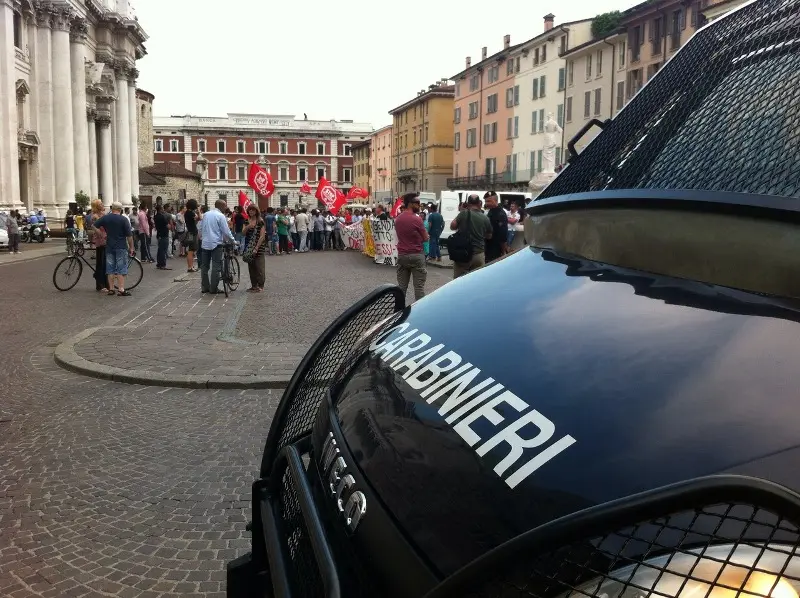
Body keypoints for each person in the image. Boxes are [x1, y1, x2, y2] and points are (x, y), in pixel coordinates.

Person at [92, 201, 134, 296]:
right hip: (121, 246)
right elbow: (129, 235)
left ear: (112, 208)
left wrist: (100, 233)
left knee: (110, 268)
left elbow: (93, 225)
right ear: (120, 209)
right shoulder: (123, 219)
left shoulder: (106, 218)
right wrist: (131, 247)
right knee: (121, 268)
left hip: (109, 246)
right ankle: (121, 289)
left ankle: (111, 289)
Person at [394, 192, 429, 302]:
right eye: (417, 203)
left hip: (402, 255)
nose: (419, 205)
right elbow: (425, 238)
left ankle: (398, 312)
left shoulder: (398, 219)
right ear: (410, 204)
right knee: (419, 287)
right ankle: (421, 312)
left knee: (402, 288)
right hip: (416, 254)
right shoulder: (417, 219)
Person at [450, 194, 492, 279]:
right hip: (478, 254)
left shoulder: (463, 214)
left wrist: (462, 211)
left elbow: (452, 226)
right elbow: (489, 236)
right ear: (479, 203)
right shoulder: (485, 218)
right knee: (477, 281)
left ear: (468, 203)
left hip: (463, 253)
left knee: (459, 281)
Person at [197, 199, 235, 294]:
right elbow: (226, 231)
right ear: (221, 206)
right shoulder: (220, 216)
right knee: (216, 266)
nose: (226, 208)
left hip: (205, 243)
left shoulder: (206, 214)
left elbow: (200, 228)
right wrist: (233, 241)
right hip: (216, 243)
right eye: (225, 206)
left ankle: (205, 287)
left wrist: (202, 237)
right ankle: (213, 289)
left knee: (204, 266)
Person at [242, 205, 266, 292]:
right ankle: (254, 285)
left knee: (259, 267)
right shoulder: (246, 221)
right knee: (251, 267)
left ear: (256, 211)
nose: (251, 212)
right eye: (249, 210)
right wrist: (248, 227)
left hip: (258, 247)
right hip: (248, 247)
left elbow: (262, 236)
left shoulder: (260, 221)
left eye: (253, 210)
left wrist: (256, 248)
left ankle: (261, 285)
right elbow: (243, 233)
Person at [483, 191, 509, 263]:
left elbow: (503, 235)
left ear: (495, 201)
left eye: (489, 201)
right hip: (489, 247)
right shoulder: (491, 211)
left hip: (496, 249)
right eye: (485, 201)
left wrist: (503, 251)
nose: (486, 203)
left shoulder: (500, 214)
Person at [154, 205, 171, 270]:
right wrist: (169, 226)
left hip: (159, 234)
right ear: (160, 209)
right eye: (162, 209)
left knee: (160, 250)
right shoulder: (162, 217)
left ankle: (159, 263)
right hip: (164, 234)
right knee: (164, 250)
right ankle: (163, 264)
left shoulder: (156, 216)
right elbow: (168, 226)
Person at [184, 199, 199, 272]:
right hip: (192, 233)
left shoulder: (187, 213)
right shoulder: (191, 213)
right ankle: (190, 267)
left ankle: (191, 266)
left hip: (190, 232)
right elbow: (200, 218)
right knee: (191, 250)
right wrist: (199, 211)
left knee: (191, 250)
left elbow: (195, 221)